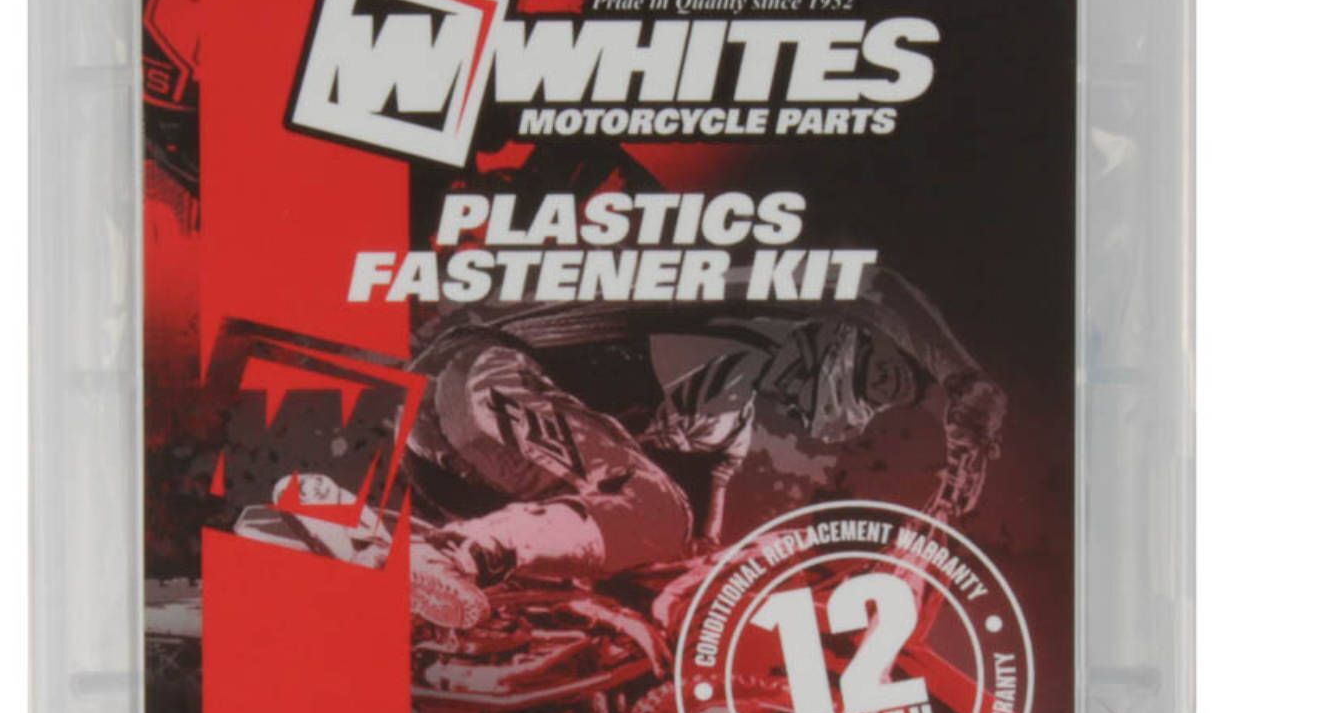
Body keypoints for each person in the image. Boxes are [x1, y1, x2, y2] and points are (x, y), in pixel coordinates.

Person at [402, 266, 1006, 626]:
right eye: (879, 381)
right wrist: (963, 380)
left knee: (633, 550)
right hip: (477, 379)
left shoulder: (723, 424)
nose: (860, 411)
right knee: (655, 511)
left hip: (447, 458)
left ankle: (426, 563)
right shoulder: (748, 311)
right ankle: (455, 554)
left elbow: (695, 555)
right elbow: (876, 285)